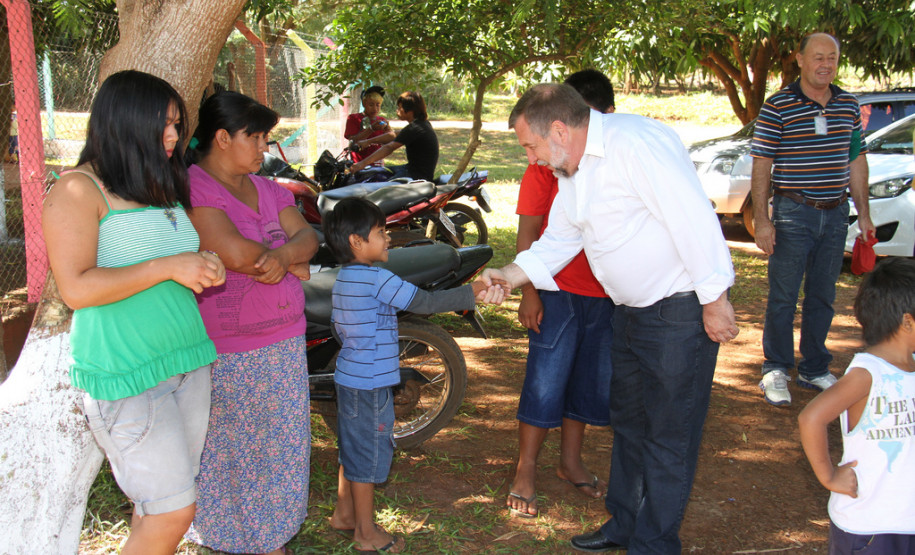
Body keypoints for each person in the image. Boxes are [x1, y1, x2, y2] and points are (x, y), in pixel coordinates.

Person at [480, 83, 738, 554]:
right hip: (631, 312)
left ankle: (653, 543)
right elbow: (558, 241)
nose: (532, 159)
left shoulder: (635, 143)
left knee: (668, 433)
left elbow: (691, 217)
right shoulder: (573, 169)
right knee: (630, 424)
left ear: (558, 129)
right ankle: (624, 523)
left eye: (531, 146)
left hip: (678, 310)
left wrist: (715, 296)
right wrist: (509, 275)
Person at [42, 70, 226, 554]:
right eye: (163, 124)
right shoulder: (77, 191)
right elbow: (77, 289)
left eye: (176, 124)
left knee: (162, 507)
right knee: (171, 512)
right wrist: (169, 266)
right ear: (125, 121)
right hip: (127, 373)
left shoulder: (156, 184)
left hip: (187, 362)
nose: (173, 136)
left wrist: (204, 265)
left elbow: (172, 262)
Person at [322, 197, 504, 552]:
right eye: (380, 233)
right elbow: (424, 303)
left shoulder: (343, 279)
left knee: (353, 449)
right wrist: (474, 291)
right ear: (357, 242)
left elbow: (336, 328)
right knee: (369, 456)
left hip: (349, 380)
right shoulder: (377, 278)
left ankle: (344, 515)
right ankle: (365, 533)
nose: (388, 238)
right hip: (371, 385)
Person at [183, 91, 319, 555]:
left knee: (280, 449)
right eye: (256, 137)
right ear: (222, 138)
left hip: (283, 340)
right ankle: (237, 541)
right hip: (229, 349)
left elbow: (309, 238)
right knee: (232, 450)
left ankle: (270, 538)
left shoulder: (266, 188)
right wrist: (286, 259)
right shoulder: (196, 186)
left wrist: (278, 258)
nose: (264, 147)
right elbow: (236, 253)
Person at [506, 69, 617, 519]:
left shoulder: (615, 158)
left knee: (590, 382)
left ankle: (570, 461)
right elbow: (531, 232)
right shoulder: (545, 168)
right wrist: (528, 292)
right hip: (557, 291)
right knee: (545, 380)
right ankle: (525, 469)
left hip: (609, 295)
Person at [752, 32, 874, 407]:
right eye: (818, 57)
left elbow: (856, 160)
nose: (826, 64)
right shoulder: (778, 106)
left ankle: (814, 368)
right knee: (784, 296)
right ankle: (775, 368)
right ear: (800, 60)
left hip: (835, 214)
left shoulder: (849, 105)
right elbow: (761, 166)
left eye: (832, 58)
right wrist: (762, 220)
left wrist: (865, 214)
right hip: (792, 213)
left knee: (823, 295)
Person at [798, 257, 915, 554]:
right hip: (871, 526)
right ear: (907, 321)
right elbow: (811, 418)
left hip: (907, 520)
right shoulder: (867, 373)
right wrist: (829, 476)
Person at [347, 91, 439, 181]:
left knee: (378, 188)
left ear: (410, 111)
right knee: (377, 172)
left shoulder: (415, 128)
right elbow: (394, 135)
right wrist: (368, 142)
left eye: (399, 108)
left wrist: (361, 165)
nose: (397, 110)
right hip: (413, 169)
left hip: (417, 175)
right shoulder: (422, 124)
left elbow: (389, 147)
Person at [345, 85, 395, 163]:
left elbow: (390, 143)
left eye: (378, 105)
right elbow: (353, 140)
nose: (375, 109)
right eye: (371, 105)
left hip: (377, 162)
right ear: (364, 104)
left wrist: (388, 131)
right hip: (358, 163)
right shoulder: (353, 118)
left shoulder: (382, 120)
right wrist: (371, 129)